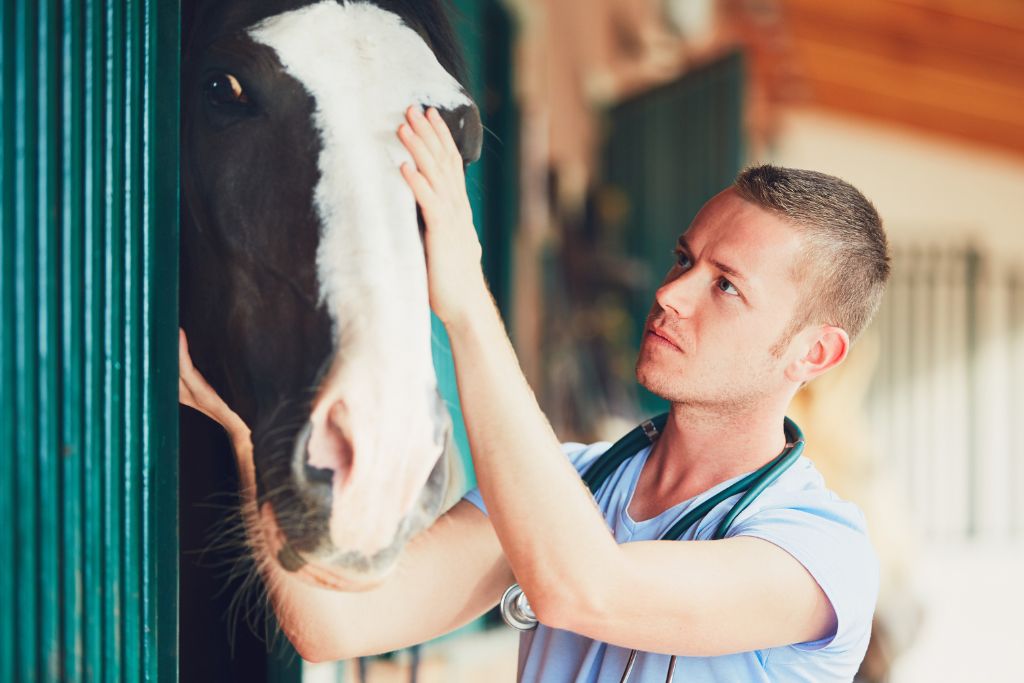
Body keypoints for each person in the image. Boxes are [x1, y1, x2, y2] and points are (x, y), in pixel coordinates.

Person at [179, 105, 888, 681]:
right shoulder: (569, 481)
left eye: (726, 285)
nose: (670, 293)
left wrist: (464, 299)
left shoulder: (820, 552)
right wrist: (252, 434)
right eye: (683, 258)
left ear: (814, 352)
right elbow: (338, 625)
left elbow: (584, 588)